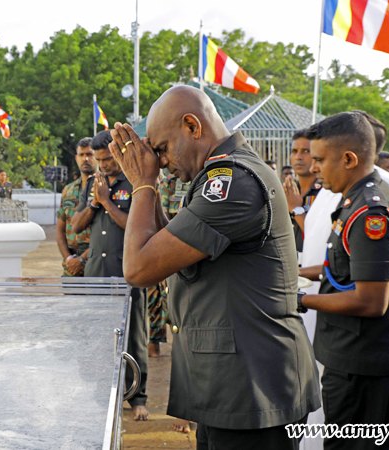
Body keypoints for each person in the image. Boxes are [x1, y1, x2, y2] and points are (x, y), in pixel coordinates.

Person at [107, 85, 320, 448]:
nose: (159, 161)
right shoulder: (218, 176)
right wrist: (149, 186)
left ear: (192, 126)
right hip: (233, 386)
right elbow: (165, 249)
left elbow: (140, 268)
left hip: (252, 388)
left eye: (162, 148)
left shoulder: (233, 182)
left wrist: (143, 185)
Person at [299, 112, 389, 450]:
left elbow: (371, 300)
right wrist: (295, 274)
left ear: (349, 159)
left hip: (368, 364)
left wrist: (296, 300)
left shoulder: (371, 212)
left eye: (321, 160)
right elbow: (347, 271)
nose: (314, 168)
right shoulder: (360, 196)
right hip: (370, 357)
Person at [71, 130, 149, 421]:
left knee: (133, 335)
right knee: (97, 336)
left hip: (126, 271)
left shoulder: (137, 182)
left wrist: (106, 202)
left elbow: (137, 226)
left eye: (107, 159)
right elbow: (76, 226)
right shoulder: (92, 183)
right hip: (96, 274)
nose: (103, 165)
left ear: (118, 153)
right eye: (99, 159)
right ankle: (102, 392)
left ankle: (137, 397)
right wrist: (93, 202)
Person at [56, 138, 95, 276]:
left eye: (90, 154)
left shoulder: (104, 189)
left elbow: (106, 234)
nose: (86, 159)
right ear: (76, 158)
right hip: (70, 266)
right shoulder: (68, 189)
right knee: (70, 298)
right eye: (82, 155)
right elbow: (60, 230)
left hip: (94, 262)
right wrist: (69, 259)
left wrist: (82, 260)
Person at [283, 129, 322, 254]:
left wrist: (296, 209)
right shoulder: (288, 189)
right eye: (294, 151)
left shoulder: (326, 191)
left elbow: (320, 238)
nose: (298, 157)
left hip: (313, 264)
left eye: (306, 151)